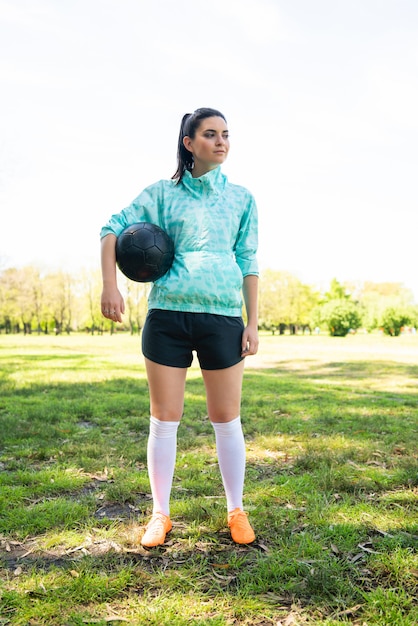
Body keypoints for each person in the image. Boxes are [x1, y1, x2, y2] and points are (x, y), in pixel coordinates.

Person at [100, 107, 259, 548]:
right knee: (163, 420)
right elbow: (111, 228)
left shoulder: (242, 198)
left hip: (224, 319)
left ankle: (236, 509)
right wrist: (110, 286)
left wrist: (254, 322)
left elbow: (248, 261)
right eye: (211, 134)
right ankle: (160, 515)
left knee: (226, 419)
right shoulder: (162, 194)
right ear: (189, 143)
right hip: (167, 317)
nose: (221, 142)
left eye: (226, 134)